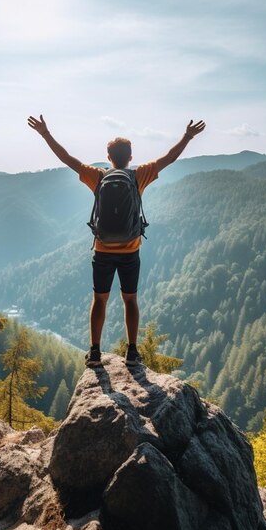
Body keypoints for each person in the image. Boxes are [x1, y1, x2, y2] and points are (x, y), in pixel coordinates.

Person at [27, 115, 206, 367]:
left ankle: (95, 352)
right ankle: (132, 352)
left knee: (100, 300)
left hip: (102, 249)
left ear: (108, 157)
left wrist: (45, 133)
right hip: (130, 250)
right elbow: (168, 158)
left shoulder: (97, 176)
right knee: (130, 299)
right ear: (130, 157)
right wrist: (187, 137)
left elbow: (68, 159)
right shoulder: (139, 176)